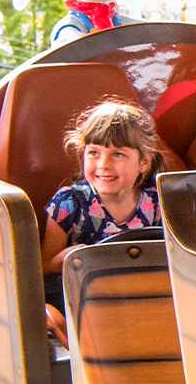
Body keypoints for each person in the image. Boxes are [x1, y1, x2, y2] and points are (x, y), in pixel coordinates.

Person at [41, 99, 163, 274]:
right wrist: (61, 261)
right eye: (94, 153)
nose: (104, 164)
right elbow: (42, 272)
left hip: (141, 295)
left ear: (143, 162)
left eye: (118, 154)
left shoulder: (158, 204)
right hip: (81, 298)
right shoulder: (68, 203)